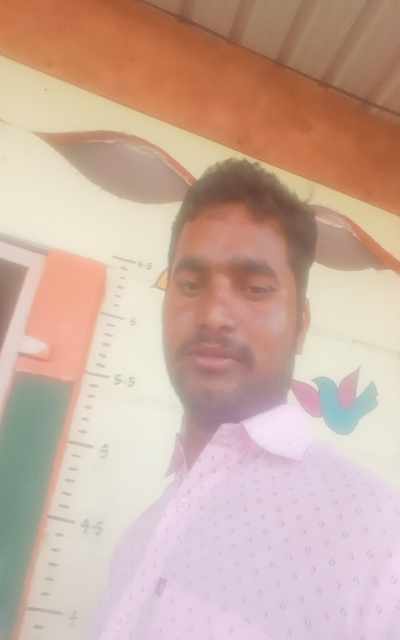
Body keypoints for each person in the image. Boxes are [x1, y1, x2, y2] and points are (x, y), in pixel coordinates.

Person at [94, 159, 400, 639]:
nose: (213, 315)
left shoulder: (378, 538)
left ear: (300, 325)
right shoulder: (138, 538)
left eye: (255, 289)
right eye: (190, 285)